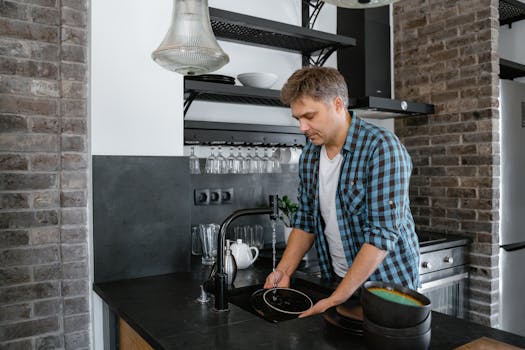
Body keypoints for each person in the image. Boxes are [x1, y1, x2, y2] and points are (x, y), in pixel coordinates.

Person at [263, 66, 420, 318]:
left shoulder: (382, 148)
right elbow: (305, 221)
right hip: (337, 279)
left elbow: (381, 235)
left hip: (388, 287)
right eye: (297, 119)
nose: (302, 127)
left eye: (310, 116)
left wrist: (338, 296)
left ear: (338, 104)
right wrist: (284, 271)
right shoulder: (310, 156)